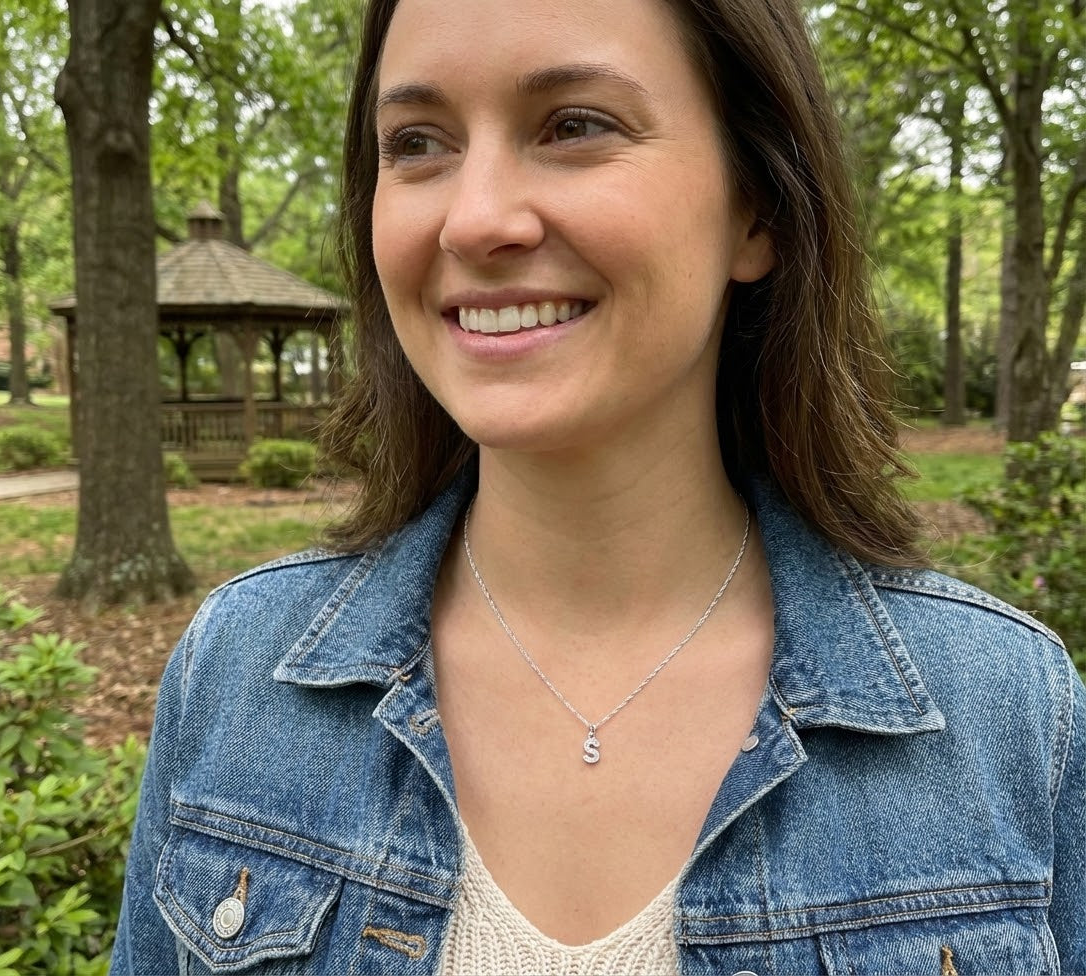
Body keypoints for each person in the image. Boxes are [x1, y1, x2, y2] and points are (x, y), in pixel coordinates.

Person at [110, 0, 1086, 971]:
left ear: (758, 207)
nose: (475, 217)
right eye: (415, 143)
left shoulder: (1007, 715)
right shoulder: (238, 675)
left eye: (574, 125)